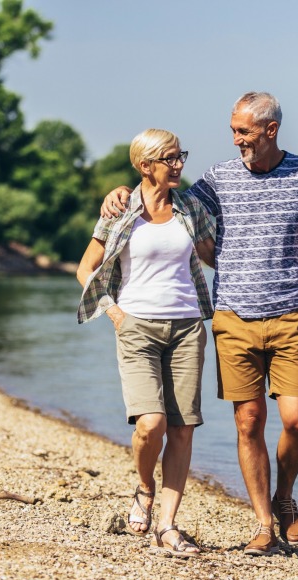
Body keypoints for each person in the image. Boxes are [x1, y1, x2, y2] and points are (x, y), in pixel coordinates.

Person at [101, 92, 298, 556]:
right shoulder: (218, 178)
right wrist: (120, 191)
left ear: (270, 130)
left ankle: (284, 497)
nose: (236, 139)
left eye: (244, 131)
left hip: (289, 315)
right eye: (233, 131)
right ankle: (263, 525)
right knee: (249, 421)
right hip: (232, 317)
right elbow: (163, 196)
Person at [77, 128, 216, 558]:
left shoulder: (190, 206)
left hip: (188, 327)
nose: (179, 165)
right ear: (145, 165)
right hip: (136, 326)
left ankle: (167, 526)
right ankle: (144, 487)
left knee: (182, 428)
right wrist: (114, 313)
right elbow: (86, 268)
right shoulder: (120, 208)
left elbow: (212, 256)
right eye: (169, 159)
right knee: (150, 424)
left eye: (180, 156)